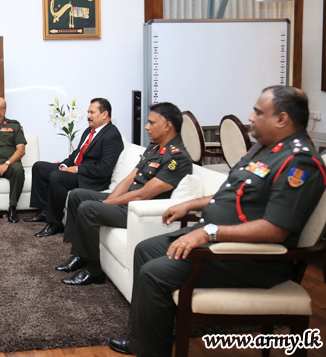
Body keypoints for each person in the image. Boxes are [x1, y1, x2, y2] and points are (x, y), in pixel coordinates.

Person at [108, 86, 326, 357]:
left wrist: (208, 233)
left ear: (282, 119)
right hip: (217, 241)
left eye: (258, 112)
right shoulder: (264, 150)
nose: (251, 117)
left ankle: (150, 350)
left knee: (155, 273)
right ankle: (145, 337)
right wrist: (190, 204)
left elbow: (275, 230)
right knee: (145, 249)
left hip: (249, 259)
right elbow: (231, 195)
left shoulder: (299, 162)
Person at [57, 102, 192, 286]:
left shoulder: (177, 157)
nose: (146, 127)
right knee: (76, 195)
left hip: (137, 210)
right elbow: (129, 179)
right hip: (127, 201)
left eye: (152, 123)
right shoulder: (153, 148)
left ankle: (94, 271)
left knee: (88, 209)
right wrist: (110, 199)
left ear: (167, 126)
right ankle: (81, 255)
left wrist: (107, 204)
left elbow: (143, 194)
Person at [27, 98, 124, 238]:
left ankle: (55, 223)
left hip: (91, 179)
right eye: (88, 112)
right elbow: (76, 154)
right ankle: (45, 211)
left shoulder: (112, 135)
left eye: (92, 112)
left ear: (104, 114)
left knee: (57, 177)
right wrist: (65, 165)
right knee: (39, 167)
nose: (88, 116)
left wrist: (77, 169)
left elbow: (104, 169)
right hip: (77, 171)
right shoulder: (89, 131)